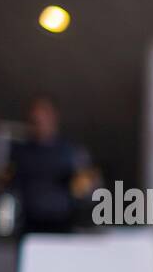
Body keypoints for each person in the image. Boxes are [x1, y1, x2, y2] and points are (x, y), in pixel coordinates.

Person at [6, 95, 98, 235]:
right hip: (30, 225)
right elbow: (10, 186)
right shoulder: (21, 153)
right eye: (35, 121)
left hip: (62, 225)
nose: (40, 124)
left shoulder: (70, 152)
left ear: (53, 118)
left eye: (43, 118)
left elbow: (88, 190)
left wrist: (84, 184)